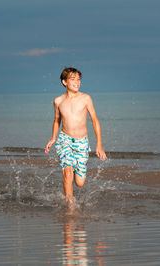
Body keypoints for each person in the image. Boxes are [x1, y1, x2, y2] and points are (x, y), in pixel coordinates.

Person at [45, 67, 107, 206]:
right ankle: (70, 205)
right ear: (64, 82)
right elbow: (56, 120)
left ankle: (72, 175)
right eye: (73, 79)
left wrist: (99, 144)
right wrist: (54, 138)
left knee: (79, 182)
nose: (77, 82)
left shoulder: (85, 98)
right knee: (67, 173)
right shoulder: (58, 101)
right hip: (64, 140)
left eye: (78, 79)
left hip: (81, 143)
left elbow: (95, 120)